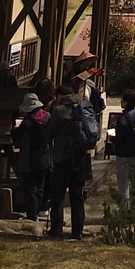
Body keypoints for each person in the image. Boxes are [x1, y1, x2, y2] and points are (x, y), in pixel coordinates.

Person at [46, 76, 104, 239]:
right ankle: (77, 232)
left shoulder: (58, 111)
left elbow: (49, 134)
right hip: (81, 158)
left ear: (60, 96)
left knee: (57, 196)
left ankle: (56, 230)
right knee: (77, 196)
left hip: (62, 158)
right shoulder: (85, 106)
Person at [13, 91, 50, 221]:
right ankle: (39, 210)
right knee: (40, 188)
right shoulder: (48, 117)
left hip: (29, 159)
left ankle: (32, 216)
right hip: (45, 158)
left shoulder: (27, 122)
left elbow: (17, 137)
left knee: (30, 189)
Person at [113, 88, 135, 202]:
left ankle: (125, 206)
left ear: (126, 102)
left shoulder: (123, 119)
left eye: (122, 100)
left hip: (123, 154)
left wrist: (113, 138)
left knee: (123, 183)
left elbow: (120, 137)